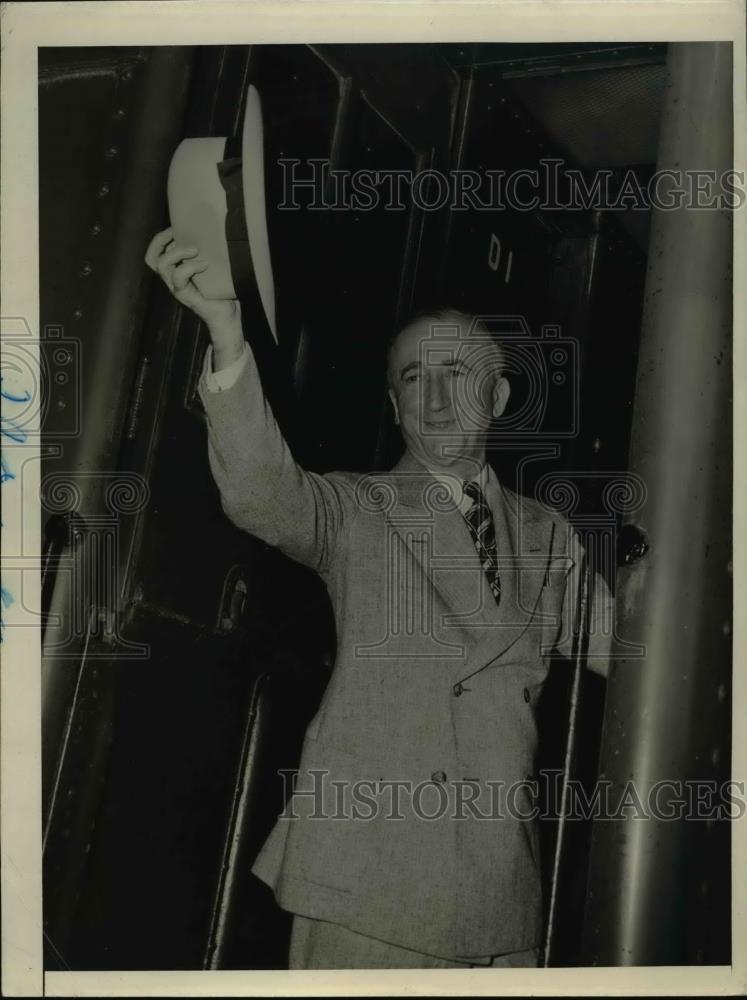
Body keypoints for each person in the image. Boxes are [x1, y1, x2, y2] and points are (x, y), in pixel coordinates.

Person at [145, 228, 613, 970]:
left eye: (455, 374)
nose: (432, 398)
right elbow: (263, 492)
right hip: (367, 873)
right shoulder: (357, 509)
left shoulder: (549, 533)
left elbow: (631, 658)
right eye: (410, 380)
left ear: (496, 395)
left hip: (502, 888)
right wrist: (227, 334)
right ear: (393, 407)